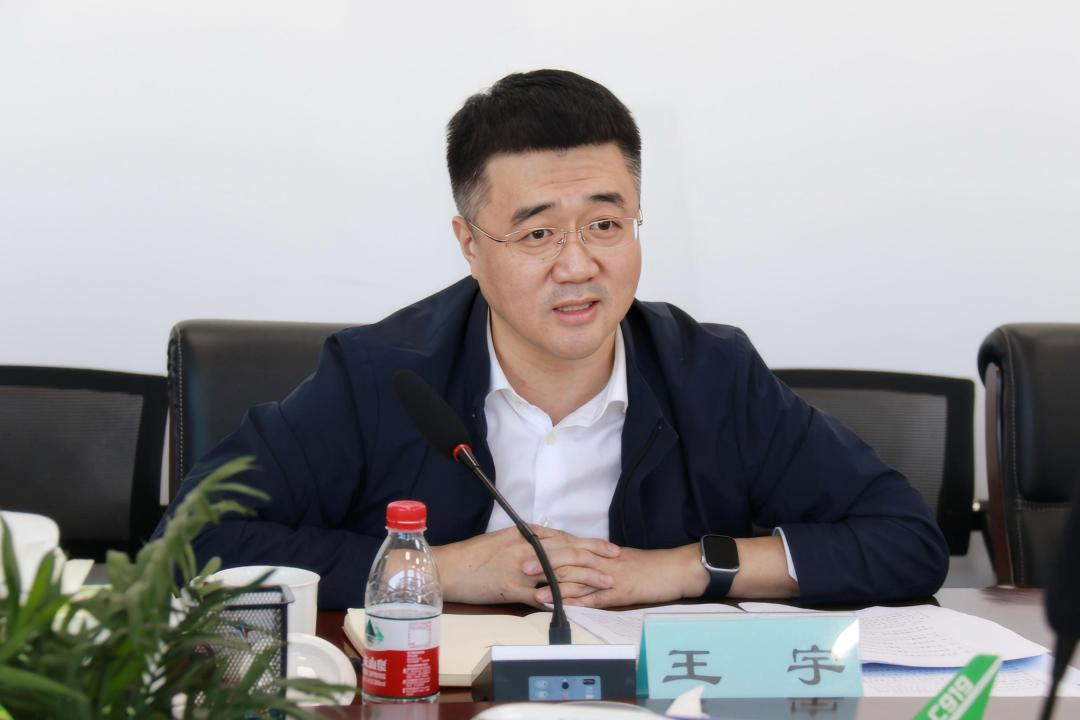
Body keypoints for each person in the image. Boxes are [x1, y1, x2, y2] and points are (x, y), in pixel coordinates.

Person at [157, 69, 949, 610]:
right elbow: (182, 547)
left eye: (605, 224)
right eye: (537, 234)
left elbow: (905, 541)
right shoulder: (381, 378)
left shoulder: (713, 375)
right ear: (470, 246)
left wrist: (676, 570)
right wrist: (438, 568)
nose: (579, 265)